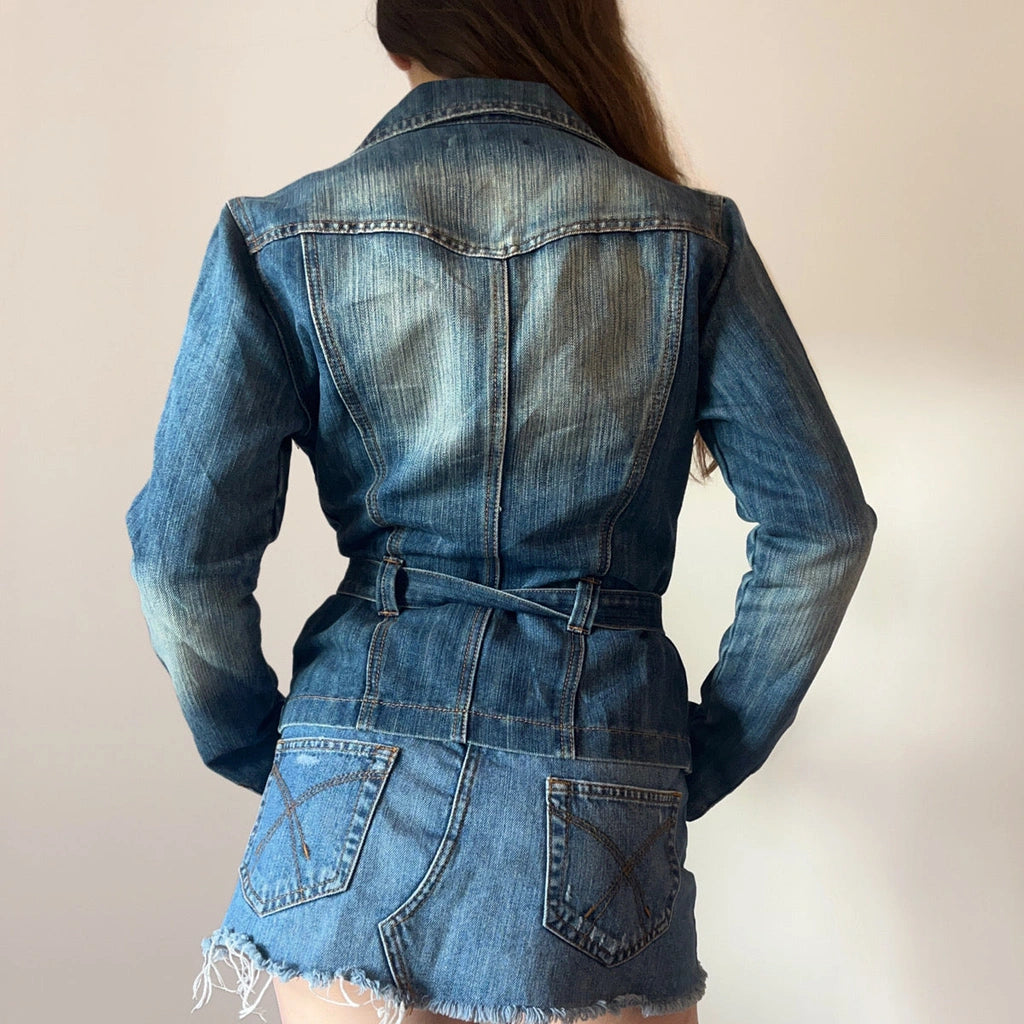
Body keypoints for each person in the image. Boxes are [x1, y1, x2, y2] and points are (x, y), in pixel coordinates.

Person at [125, 2, 877, 1023]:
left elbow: (180, 559)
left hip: (346, 771)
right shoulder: (690, 236)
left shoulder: (277, 235)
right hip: (598, 769)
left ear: (397, 36)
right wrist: (703, 752)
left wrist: (260, 744)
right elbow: (820, 528)